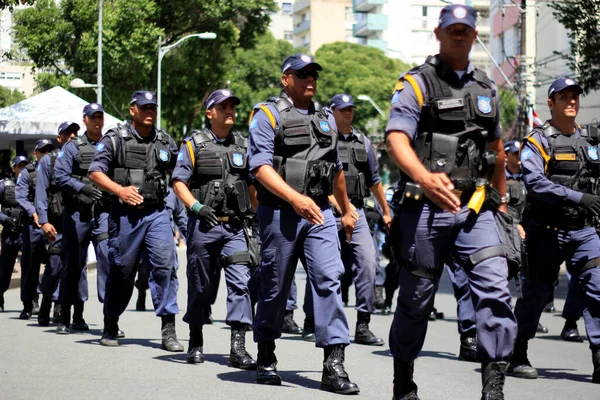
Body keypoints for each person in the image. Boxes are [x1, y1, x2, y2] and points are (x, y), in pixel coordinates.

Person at [385, 5, 517, 399]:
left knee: (495, 289)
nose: (459, 35)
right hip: (425, 211)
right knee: (416, 299)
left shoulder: (485, 88)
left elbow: (495, 149)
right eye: (452, 29)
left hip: (476, 210)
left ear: (475, 35)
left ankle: (493, 386)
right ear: (439, 34)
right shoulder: (416, 83)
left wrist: (504, 202)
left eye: (466, 29)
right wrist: (423, 178)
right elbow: (396, 138)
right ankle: (403, 379)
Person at [248, 53, 359, 394]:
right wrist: (294, 198)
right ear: (286, 79)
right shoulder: (267, 115)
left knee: (330, 278)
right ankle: (266, 353)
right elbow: (260, 168)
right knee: (274, 286)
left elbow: (335, 169)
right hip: (281, 212)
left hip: (320, 214)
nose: (310, 79)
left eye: (313, 74)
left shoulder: (326, 119)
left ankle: (333, 362)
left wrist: (346, 208)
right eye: (302, 74)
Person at [508, 77, 600, 384]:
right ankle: (518, 352)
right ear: (551, 103)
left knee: (598, 289)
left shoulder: (590, 140)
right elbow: (534, 183)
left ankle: (599, 358)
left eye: (575, 96)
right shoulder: (538, 140)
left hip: (585, 231)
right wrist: (579, 197)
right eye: (564, 97)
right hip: (546, 231)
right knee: (535, 295)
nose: (572, 101)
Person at [88, 90, 182, 352]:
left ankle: (168, 329)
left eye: (153, 107)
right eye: (145, 107)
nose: (150, 111)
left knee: (165, 266)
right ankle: (110, 322)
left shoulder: (165, 141)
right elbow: (95, 171)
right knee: (122, 272)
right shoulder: (115, 139)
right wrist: (119, 190)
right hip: (125, 216)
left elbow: (179, 173)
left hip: (157, 213)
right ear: (133, 110)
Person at [172, 89, 257, 368]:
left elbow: (254, 186)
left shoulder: (244, 145)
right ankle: (195, 339)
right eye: (223, 107)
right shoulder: (194, 143)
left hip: (234, 228)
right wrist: (197, 207)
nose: (230, 110)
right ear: (210, 113)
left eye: (232, 106)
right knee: (200, 286)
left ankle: (238, 347)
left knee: (240, 283)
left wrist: (255, 217)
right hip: (204, 226)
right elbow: (179, 183)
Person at [326, 93, 390, 346]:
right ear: (332, 111)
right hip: (327, 209)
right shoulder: (322, 139)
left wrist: (386, 210)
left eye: (350, 109)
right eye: (342, 109)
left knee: (368, 262)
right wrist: (342, 207)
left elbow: (374, 180)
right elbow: (316, 181)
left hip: (358, 210)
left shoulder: (362, 141)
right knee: (326, 268)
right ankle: (316, 321)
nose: (348, 113)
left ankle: (363, 324)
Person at [51, 105, 111, 333]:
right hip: (77, 213)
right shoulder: (73, 146)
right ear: (84, 120)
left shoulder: (110, 144)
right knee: (73, 264)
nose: (97, 121)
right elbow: (60, 176)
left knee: (107, 260)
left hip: (103, 212)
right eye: (93, 117)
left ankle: (110, 320)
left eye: (100, 117)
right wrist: (81, 188)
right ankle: (67, 316)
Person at [35, 121, 90, 332]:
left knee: (79, 267)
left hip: (77, 220)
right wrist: (43, 221)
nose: (73, 135)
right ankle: (47, 301)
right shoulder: (49, 161)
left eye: (75, 132)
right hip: (56, 224)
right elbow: (40, 192)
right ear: (60, 138)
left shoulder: (84, 157)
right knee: (56, 265)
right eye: (68, 133)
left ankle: (77, 314)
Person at [16, 140, 53, 320]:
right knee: (30, 267)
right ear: (35, 153)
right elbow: (21, 196)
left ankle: (53, 301)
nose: (46, 153)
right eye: (42, 150)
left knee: (55, 264)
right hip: (33, 226)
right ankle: (29, 304)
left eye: (49, 150)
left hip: (52, 225)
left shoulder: (56, 169)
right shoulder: (27, 172)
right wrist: (34, 212)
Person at [135, 187, 188, 312]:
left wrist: (190, 237)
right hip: (145, 238)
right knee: (143, 272)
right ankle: (141, 291)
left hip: (166, 240)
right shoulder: (140, 190)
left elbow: (181, 217)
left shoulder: (172, 194)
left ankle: (166, 310)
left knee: (170, 270)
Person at [0, 156, 28, 312]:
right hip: (10, 233)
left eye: (25, 165)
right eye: (20, 166)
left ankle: (32, 300)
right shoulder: (5, 186)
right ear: (14, 168)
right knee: (5, 266)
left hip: (27, 231)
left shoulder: (32, 184)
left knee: (30, 265)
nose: (22, 168)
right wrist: (4, 218)